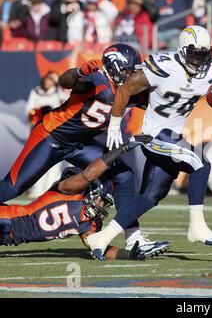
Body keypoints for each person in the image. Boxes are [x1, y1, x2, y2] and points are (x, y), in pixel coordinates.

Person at [89, 25, 212, 259]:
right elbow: (125, 89)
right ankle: (197, 227)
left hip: (174, 136)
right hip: (154, 136)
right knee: (200, 163)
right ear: (182, 50)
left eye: (203, 55)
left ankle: (100, 238)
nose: (199, 61)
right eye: (194, 54)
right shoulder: (164, 65)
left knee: (149, 198)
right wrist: (113, 124)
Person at [0, 44, 166, 256]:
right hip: (51, 137)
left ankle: (134, 238)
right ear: (114, 67)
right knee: (13, 187)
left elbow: (161, 99)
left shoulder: (130, 90)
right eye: (128, 71)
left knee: (123, 175)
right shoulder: (97, 79)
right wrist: (79, 72)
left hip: (79, 144)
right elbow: (64, 81)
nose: (132, 76)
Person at [0, 144, 166, 260]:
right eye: (102, 200)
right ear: (93, 191)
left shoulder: (88, 223)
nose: (102, 206)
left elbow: (95, 247)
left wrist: (128, 255)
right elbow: (89, 174)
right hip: (6, 219)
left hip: (10, 238)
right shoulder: (68, 190)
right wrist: (120, 150)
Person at [25, 71, 67, 198]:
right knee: (38, 160)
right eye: (49, 79)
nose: (50, 82)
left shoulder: (58, 93)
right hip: (40, 130)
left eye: (53, 80)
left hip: (56, 131)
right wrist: (41, 110)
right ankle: (37, 190)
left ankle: (51, 190)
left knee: (54, 162)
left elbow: (65, 108)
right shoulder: (36, 92)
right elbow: (29, 110)